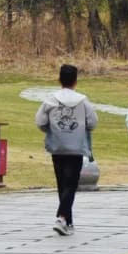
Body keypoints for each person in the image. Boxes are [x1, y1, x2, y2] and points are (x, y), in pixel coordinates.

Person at [34, 63, 97, 236]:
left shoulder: (50, 99)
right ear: (75, 81)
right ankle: (62, 218)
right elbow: (92, 122)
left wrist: (51, 129)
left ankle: (68, 222)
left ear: (59, 79)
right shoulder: (83, 101)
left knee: (62, 183)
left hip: (57, 146)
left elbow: (40, 121)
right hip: (76, 147)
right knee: (71, 184)